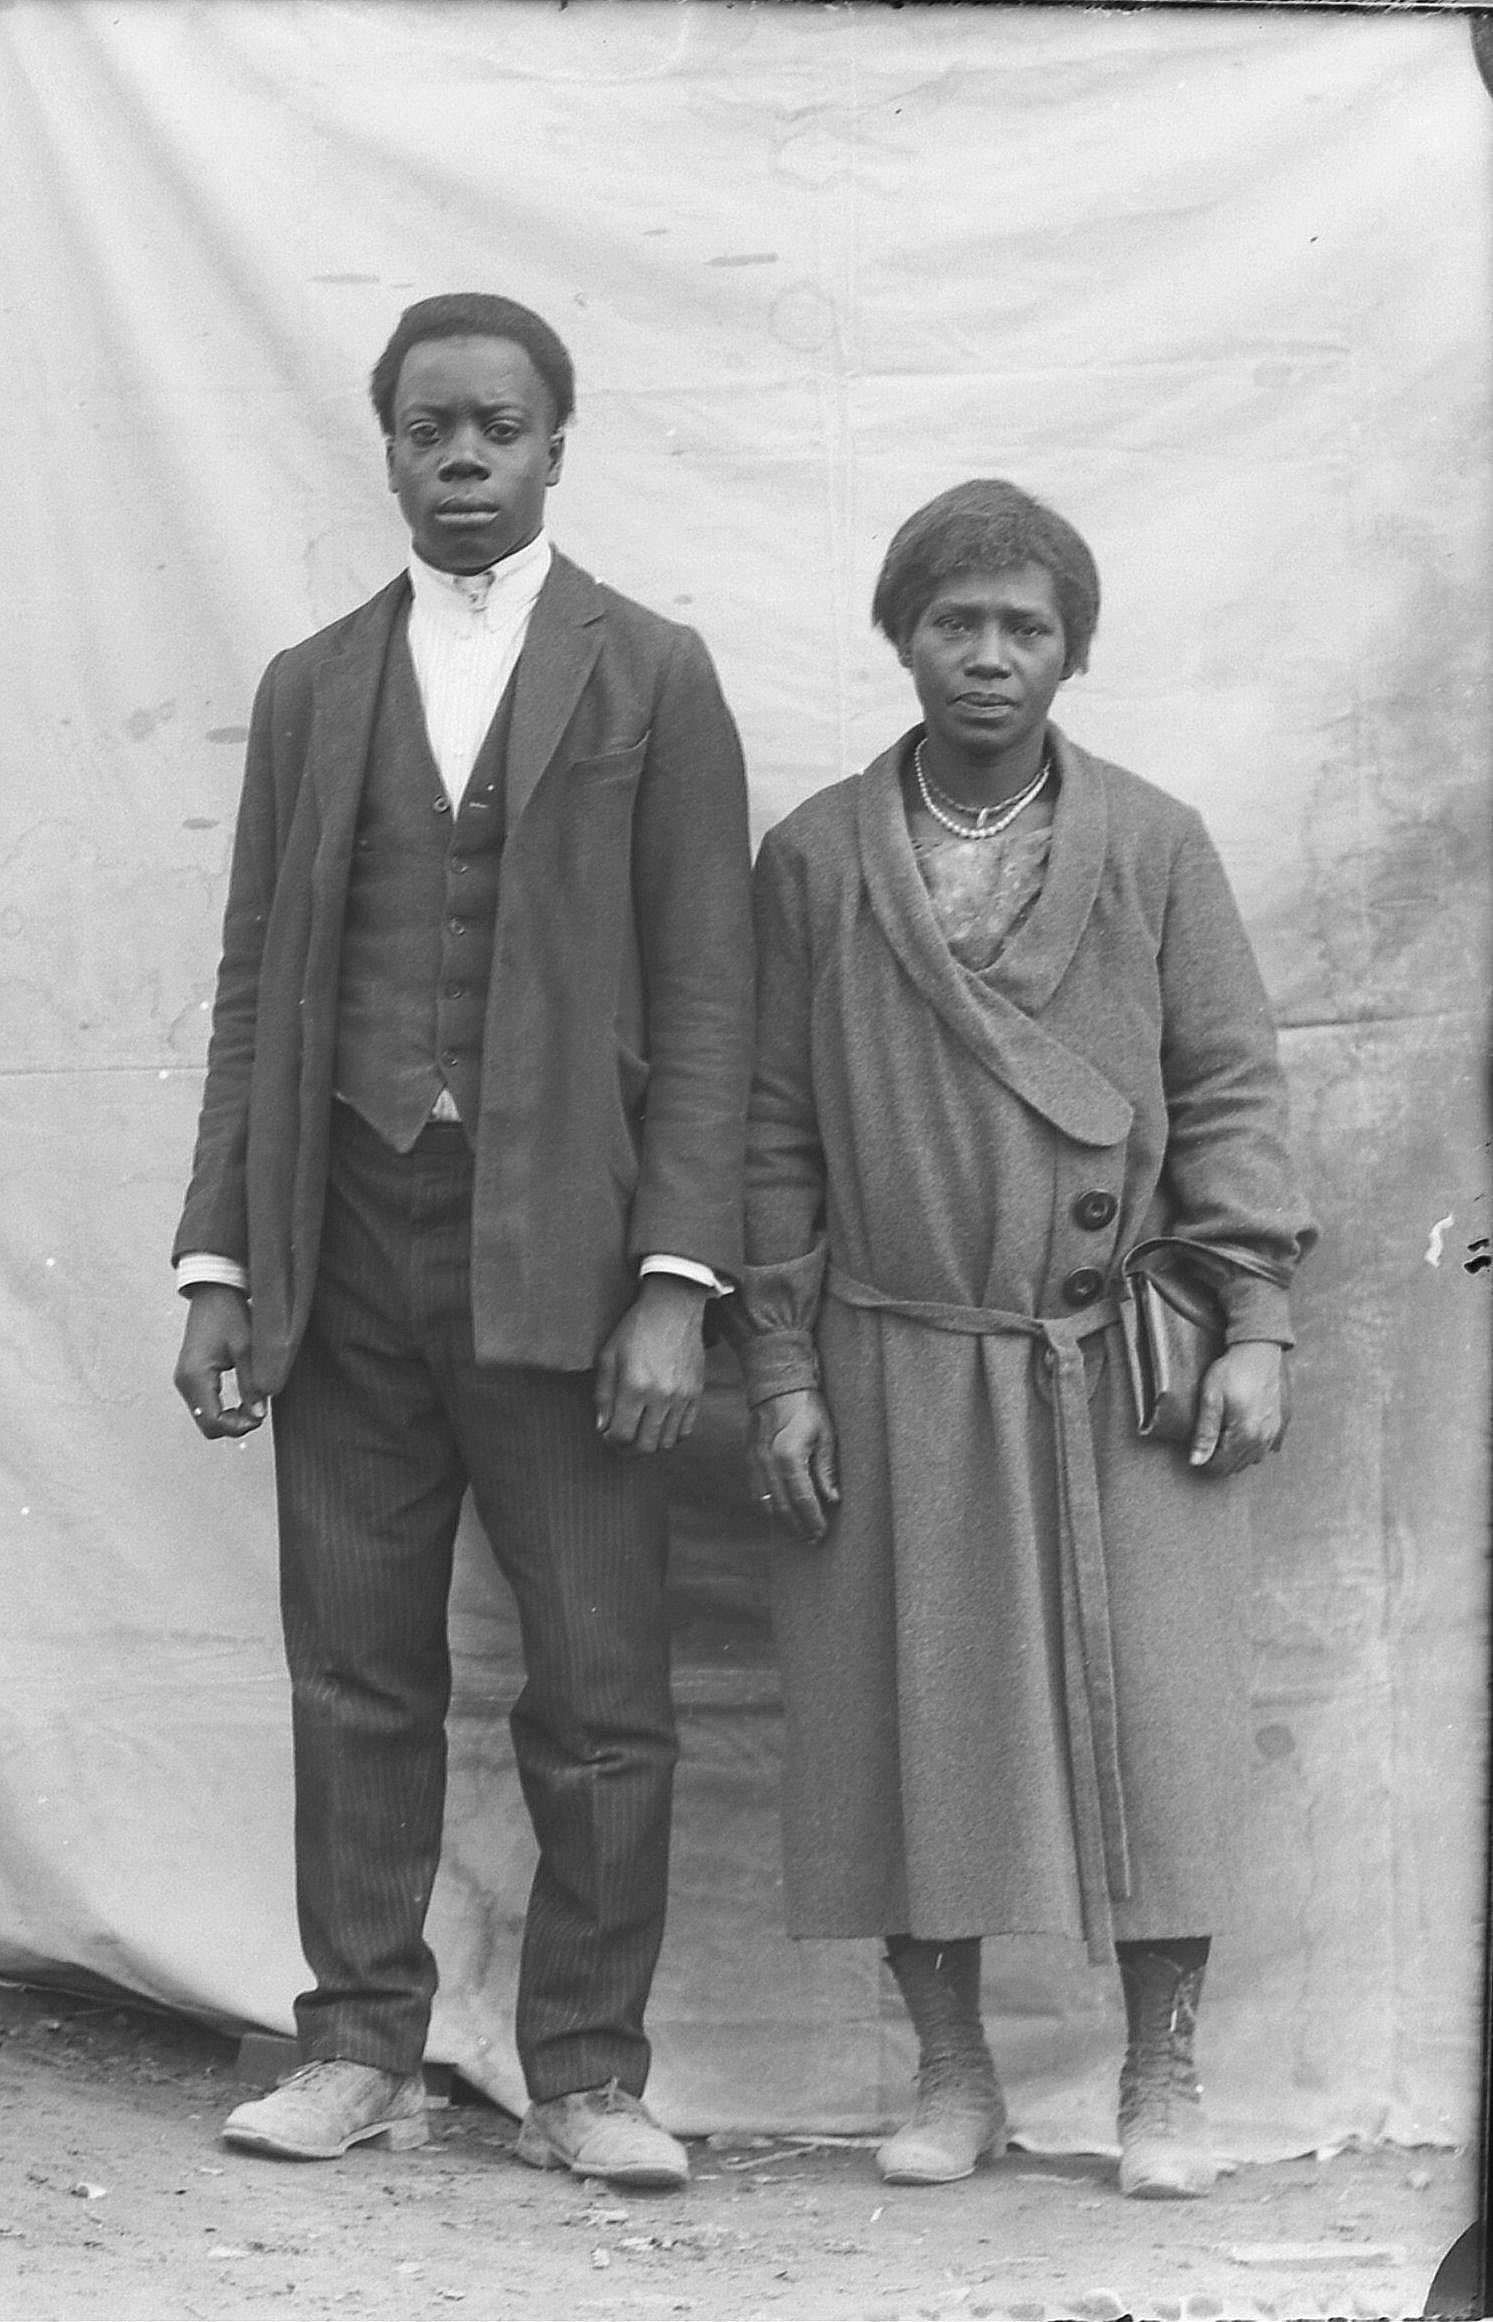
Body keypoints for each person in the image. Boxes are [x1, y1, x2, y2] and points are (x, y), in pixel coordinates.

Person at [172, 293, 753, 2188]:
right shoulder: (310, 685)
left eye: (498, 427)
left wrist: (675, 1282)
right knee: (356, 1669)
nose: (465, 459)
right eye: (430, 429)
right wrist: (220, 1264)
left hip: (568, 1260)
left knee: (597, 1686)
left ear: (558, 446)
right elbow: (255, 990)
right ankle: (358, 2047)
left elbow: (711, 996)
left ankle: (586, 2070)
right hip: (344, 1247)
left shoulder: (651, 672)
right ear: (390, 452)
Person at [736, 479, 1314, 2200]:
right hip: (900, 1350)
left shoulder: (1152, 842)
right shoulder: (816, 860)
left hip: (1119, 1350)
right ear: (900, 637)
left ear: (1072, 651)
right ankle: (951, 2072)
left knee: (1157, 1715)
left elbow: (1228, 1087)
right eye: (954, 622)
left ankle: (1162, 2077)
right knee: (907, 1716)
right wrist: (781, 1368)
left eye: (1024, 626)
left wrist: (1256, 1320)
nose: (986, 656)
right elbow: (771, 1131)